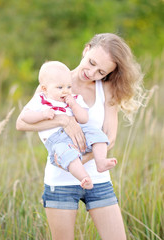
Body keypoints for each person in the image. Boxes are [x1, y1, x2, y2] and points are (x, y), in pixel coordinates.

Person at [16, 33, 144, 240]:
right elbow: (21, 123)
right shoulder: (53, 81)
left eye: (101, 71)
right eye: (91, 62)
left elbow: (109, 138)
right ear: (86, 49)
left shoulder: (107, 89)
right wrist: (63, 120)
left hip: (98, 179)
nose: (91, 72)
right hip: (60, 182)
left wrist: (79, 161)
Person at [20, 61, 117, 189]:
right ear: (45, 88)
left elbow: (84, 119)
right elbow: (24, 117)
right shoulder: (41, 99)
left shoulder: (75, 99)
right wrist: (42, 115)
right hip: (56, 138)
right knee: (66, 154)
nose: (65, 91)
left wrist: (74, 105)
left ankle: (100, 162)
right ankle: (84, 177)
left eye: (69, 87)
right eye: (60, 88)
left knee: (97, 134)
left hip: (80, 131)